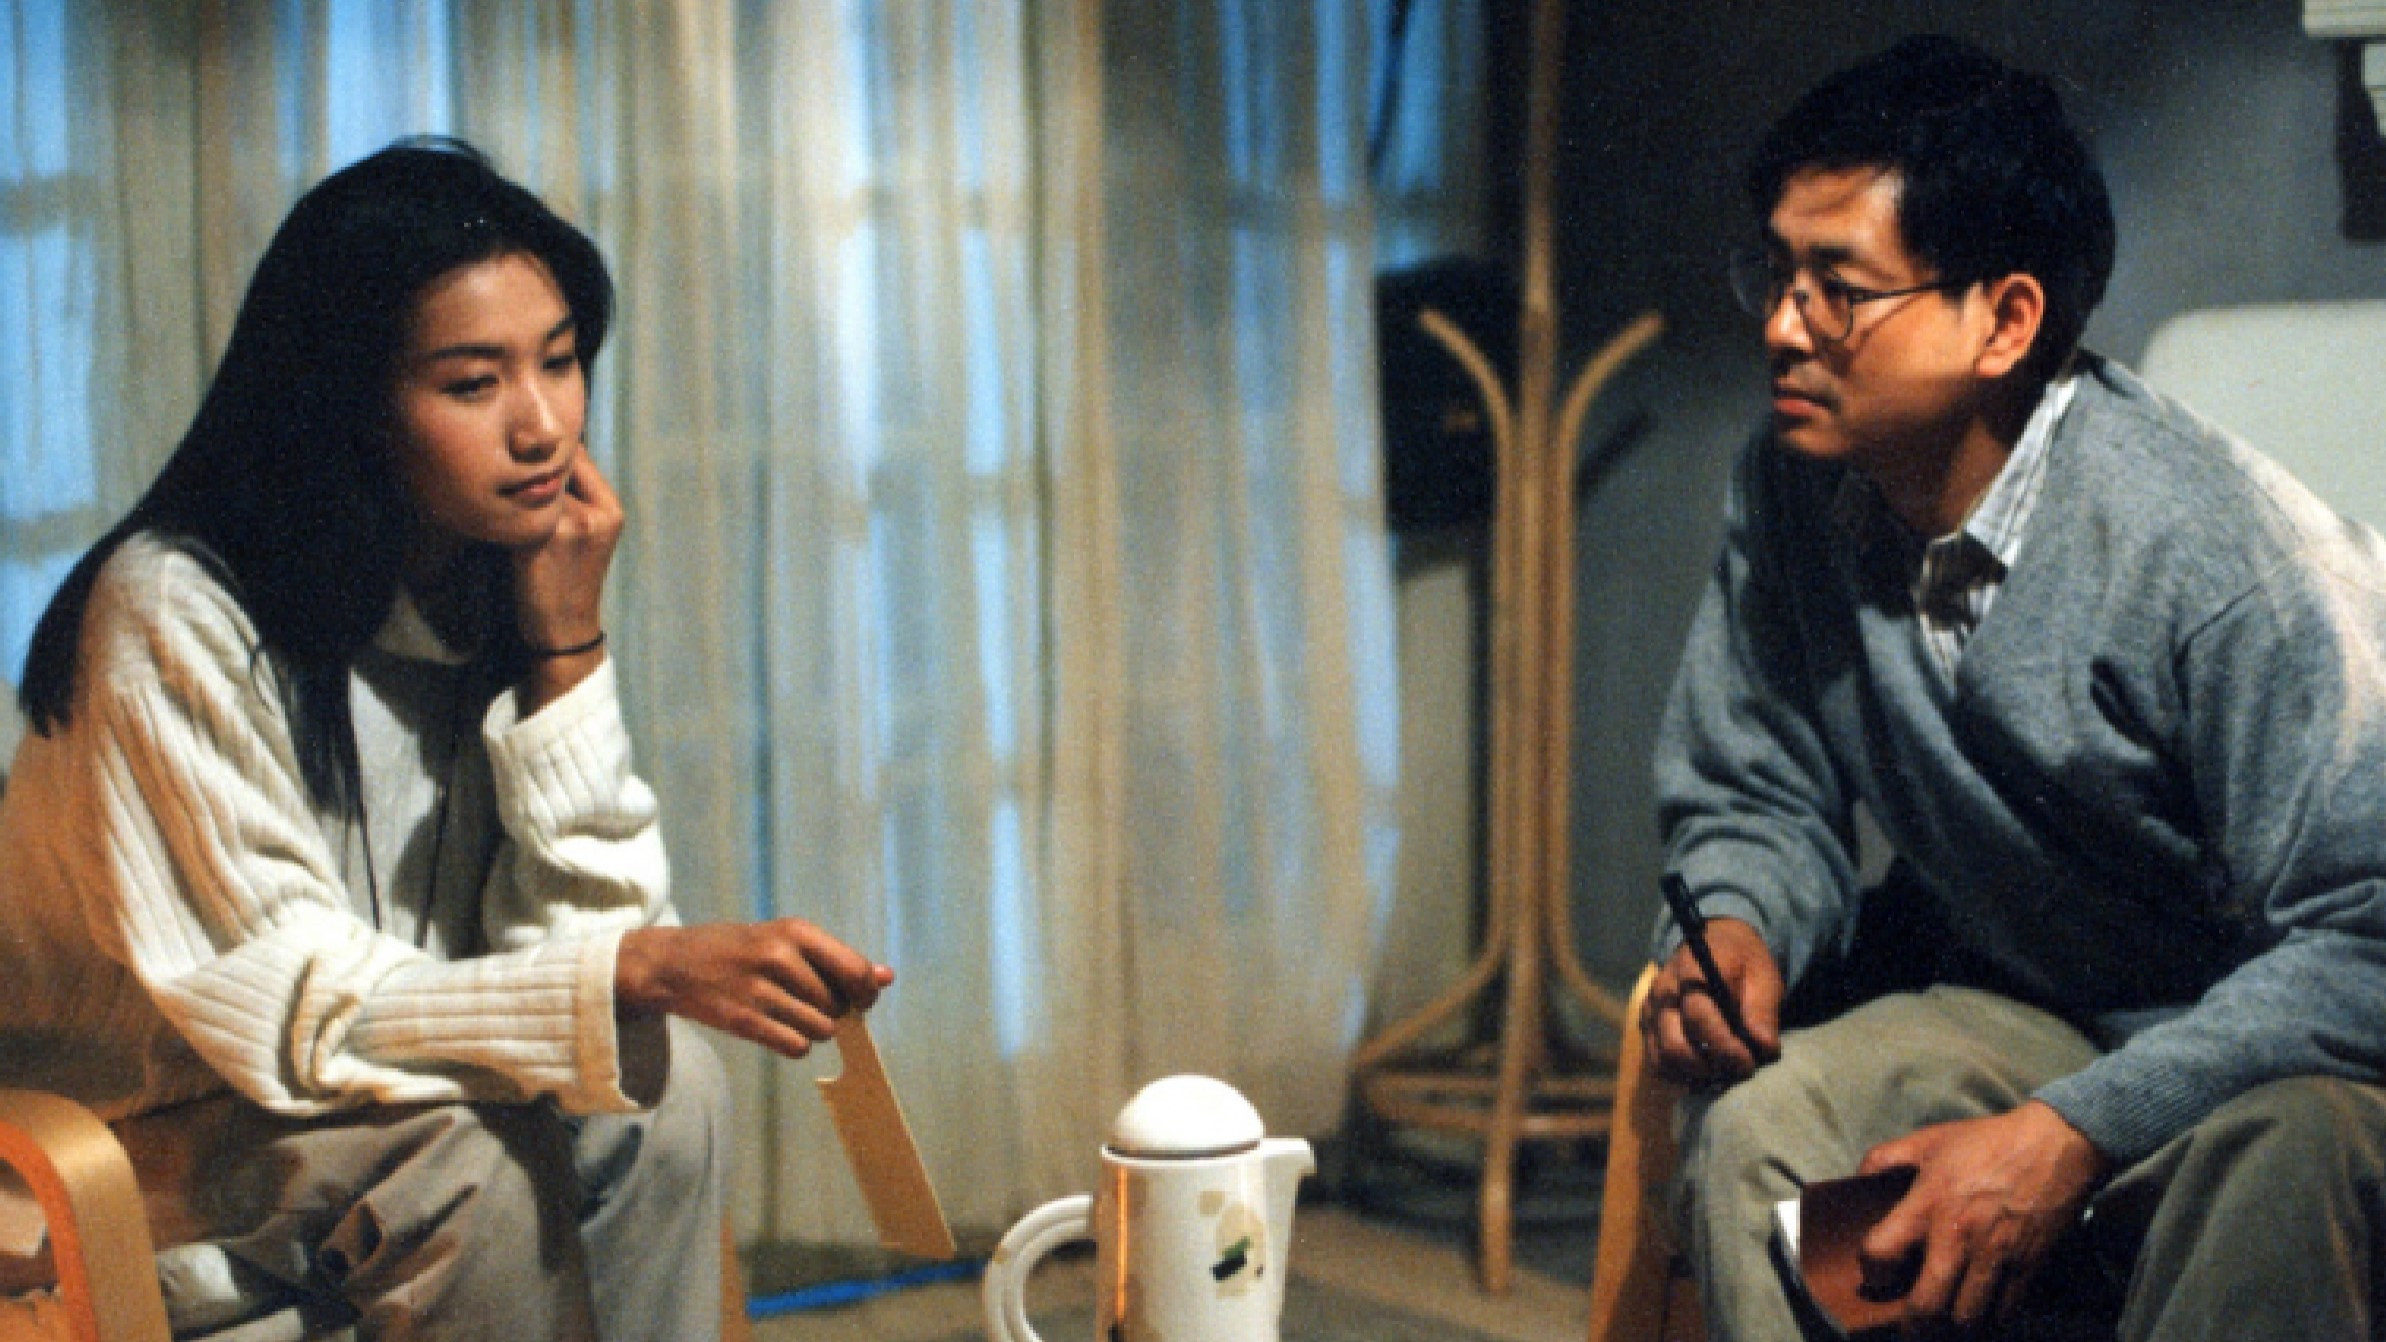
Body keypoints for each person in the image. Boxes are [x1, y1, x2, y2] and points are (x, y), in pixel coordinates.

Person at [0, 139, 891, 1341]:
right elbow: (294, 1012)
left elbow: (580, 962)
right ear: (351, 403)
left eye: (560, 362)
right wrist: (628, 971)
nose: (543, 426)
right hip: (130, 1156)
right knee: (470, 1155)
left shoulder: (493, 579)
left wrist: (565, 653)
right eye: (473, 384)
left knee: (668, 1089)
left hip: (369, 1118)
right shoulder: (173, 608)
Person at [1646, 35, 2386, 1342]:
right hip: (2030, 1010)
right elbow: (1752, 787)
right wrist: (1740, 923)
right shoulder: (1794, 484)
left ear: (2004, 320)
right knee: (1768, 1123)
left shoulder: (2217, 556)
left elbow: (2363, 942)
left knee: (2288, 1156)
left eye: (1837, 290)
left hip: (2266, 1047)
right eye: (1775, 274)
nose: (1779, 327)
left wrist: (2067, 1134)